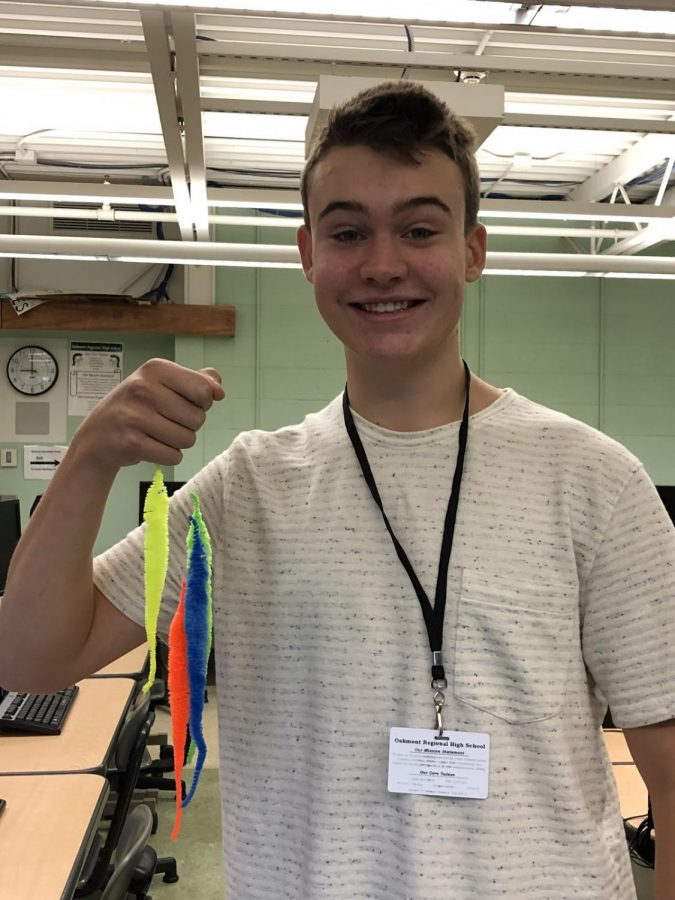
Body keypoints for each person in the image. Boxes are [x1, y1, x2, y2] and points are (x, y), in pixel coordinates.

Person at [1, 82, 674, 900]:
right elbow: (28, 658)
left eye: (419, 229)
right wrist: (90, 457)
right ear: (307, 254)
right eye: (347, 231)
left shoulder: (594, 480)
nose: (382, 263)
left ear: (472, 249)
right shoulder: (243, 490)